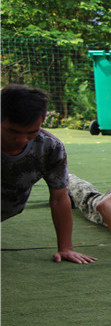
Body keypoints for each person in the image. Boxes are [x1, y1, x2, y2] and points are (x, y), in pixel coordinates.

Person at [1, 84, 97, 264]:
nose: (21, 140)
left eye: (31, 132)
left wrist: (66, 248)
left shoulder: (50, 148)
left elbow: (59, 198)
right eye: (13, 131)